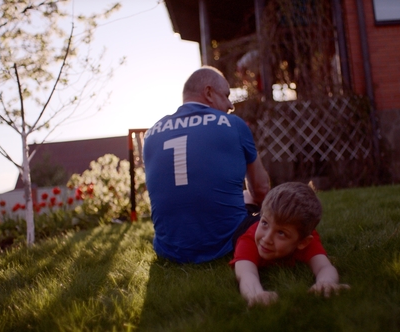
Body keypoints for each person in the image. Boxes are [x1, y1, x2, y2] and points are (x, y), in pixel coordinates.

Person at [143, 66, 270, 264]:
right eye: (226, 95)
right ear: (209, 92)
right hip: (227, 242)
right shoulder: (233, 124)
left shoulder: (150, 134)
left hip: (168, 250)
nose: (230, 105)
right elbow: (262, 190)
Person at [230, 182, 349, 306]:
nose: (266, 239)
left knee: (263, 214)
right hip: (248, 222)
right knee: (246, 205)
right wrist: (255, 294)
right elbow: (246, 274)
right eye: (264, 223)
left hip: (266, 217)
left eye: (281, 233)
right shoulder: (248, 241)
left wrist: (326, 282)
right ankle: (250, 199)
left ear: (302, 242)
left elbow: (324, 267)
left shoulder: (306, 240)